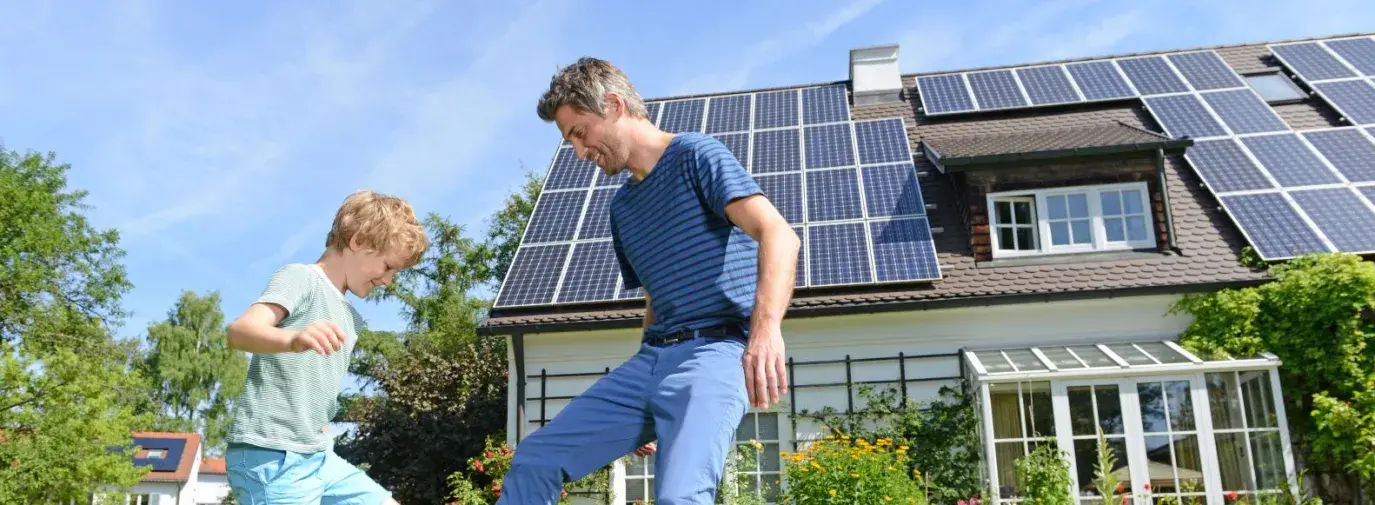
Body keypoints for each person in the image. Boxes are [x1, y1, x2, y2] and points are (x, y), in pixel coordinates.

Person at [498, 57, 799, 504]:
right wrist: (647, 397)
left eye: (579, 133)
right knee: (535, 460)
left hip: (715, 353)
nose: (579, 152)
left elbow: (778, 234)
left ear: (614, 105)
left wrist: (766, 328)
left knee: (680, 497)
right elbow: (656, 296)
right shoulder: (622, 209)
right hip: (652, 361)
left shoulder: (696, 155)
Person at [223, 190, 429, 505]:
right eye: (387, 266)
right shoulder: (302, 278)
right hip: (273, 455)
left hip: (317, 455)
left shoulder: (350, 317)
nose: (388, 280)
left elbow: (314, 385)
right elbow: (240, 332)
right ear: (358, 241)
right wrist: (292, 339)